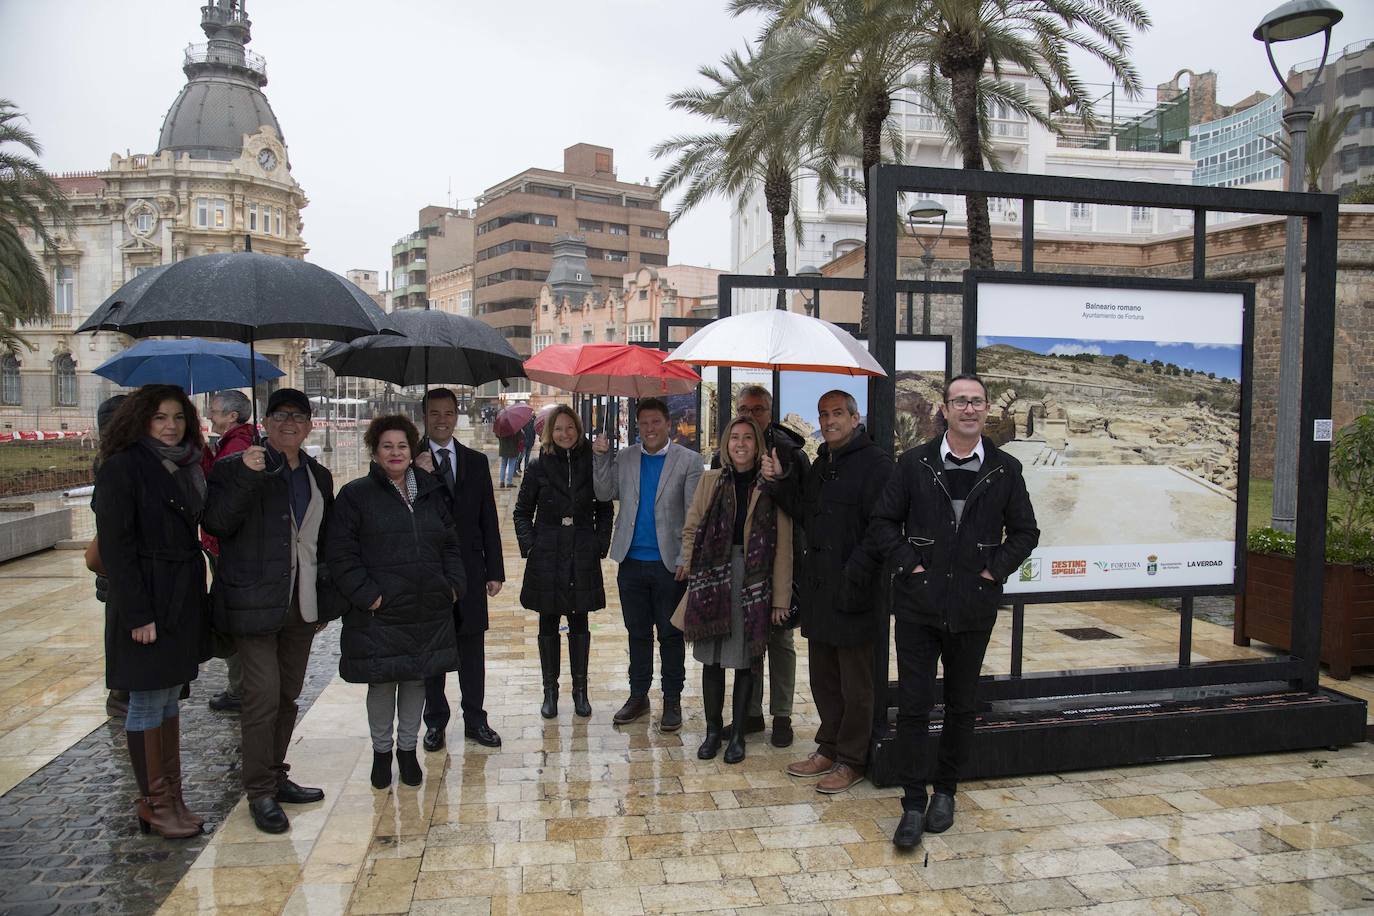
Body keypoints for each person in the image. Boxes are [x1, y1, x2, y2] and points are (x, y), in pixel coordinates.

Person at [868, 374, 1039, 849]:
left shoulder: (1005, 470)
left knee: (962, 706)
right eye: (960, 401)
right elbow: (883, 522)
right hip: (919, 607)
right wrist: (912, 566)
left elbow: (1026, 532)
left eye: (976, 402)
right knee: (916, 706)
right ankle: (912, 802)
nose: (968, 409)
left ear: (986, 411)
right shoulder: (913, 464)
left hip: (972, 610)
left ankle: (946, 791)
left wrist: (992, 571)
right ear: (944, 409)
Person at [203, 388, 343, 834]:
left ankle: (276, 774)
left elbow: (322, 542)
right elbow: (217, 524)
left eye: (298, 416)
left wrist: (325, 599)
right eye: (280, 415)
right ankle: (259, 790)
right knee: (261, 696)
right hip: (252, 604)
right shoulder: (236, 466)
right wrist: (247, 475)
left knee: (287, 695)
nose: (289, 423)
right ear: (265, 420)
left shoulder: (319, 475)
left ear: (309, 423)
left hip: (300, 605)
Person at [93, 384, 208, 839]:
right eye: (160, 417)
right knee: (144, 699)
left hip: (180, 596)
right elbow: (117, 550)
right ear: (142, 420)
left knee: (167, 698)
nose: (170, 426)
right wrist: (138, 614)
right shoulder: (122, 468)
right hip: (145, 601)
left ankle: (173, 796)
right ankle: (154, 801)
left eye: (178, 418)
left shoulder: (186, 466)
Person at [328, 415, 464, 791]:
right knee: (383, 682)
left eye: (402, 446)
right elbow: (341, 553)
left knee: (417, 679)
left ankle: (407, 750)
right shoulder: (356, 495)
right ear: (375, 450)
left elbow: (450, 543)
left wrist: (452, 586)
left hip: (426, 605)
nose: (395, 452)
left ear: (412, 450)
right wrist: (367, 594)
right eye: (387, 446)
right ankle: (381, 752)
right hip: (381, 610)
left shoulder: (430, 493)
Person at [772, 390, 893, 795]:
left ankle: (853, 759)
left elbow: (881, 530)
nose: (829, 421)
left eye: (838, 413)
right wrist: (778, 482)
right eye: (823, 414)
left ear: (855, 418)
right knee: (823, 677)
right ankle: (829, 746)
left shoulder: (876, 464)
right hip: (821, 592)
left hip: (856, 593)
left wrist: (853, 577)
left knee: (856, 684)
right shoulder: (824, 462)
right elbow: (806, 511)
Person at [680, 416, 792, 764]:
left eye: (748, 438)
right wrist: (691, 567)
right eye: (734, 438)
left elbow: (784, 545)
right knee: (711, 661)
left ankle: (739, 734)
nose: (740, 444)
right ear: (725, 444)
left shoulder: (772, 485)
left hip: (752, 580)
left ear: (757, 445)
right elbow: (692, 527)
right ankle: (714, 731)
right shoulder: (711, 480)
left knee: (746, 661)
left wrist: (780, 598)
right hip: (713, 577)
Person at [592, 397, 703, 731]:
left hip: (670, 565)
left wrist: (688, 557)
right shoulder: (625, 457)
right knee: (637, 634)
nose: (650, 429)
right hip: (631, 562)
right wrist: (601, 458)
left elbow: (694, 516)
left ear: (668, 424)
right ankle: (638, 695)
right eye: (644, 424)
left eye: (656, 422)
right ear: (637, 426)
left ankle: (672, 700)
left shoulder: (689, 461)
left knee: (670, 635)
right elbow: (603, 492)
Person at [709, 385, 807, 748]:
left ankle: (782, 714)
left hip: (781, 561)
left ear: (770, 411)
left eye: (759, 408)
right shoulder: (729, 449)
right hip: (739, 566)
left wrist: (778, 481)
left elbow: (803, 509)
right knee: (748, 639)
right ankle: (749, 713)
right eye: (744, 408)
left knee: (780, 639)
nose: (751, 414)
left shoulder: (792, 453)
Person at [412, 388, 505, 750]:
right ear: (425, 416)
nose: (441, 420)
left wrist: (494, 569)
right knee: (434, 650)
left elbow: (487, 518)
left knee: (472, 651)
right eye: (434, 413)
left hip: (469, 569)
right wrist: (418, 477)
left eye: (448, 413)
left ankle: (475, 719)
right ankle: (435, 721)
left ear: (457, 416)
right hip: (430, 572)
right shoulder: (410, 461)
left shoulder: (475, 461)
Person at [513, 405, 613, 719]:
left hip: (581, 548)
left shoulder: (589, 461)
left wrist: (599, 543)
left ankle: (580, 691)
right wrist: (531, 545)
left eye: (570, 428)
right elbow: (521, 512)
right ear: (549, 432)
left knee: (579, 619)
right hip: (548, 551)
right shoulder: (538, 465)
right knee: (548, 621)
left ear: (578, 429)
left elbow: (605, 506)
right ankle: (550, 691)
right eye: (558, 428)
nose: (565, 434)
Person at [201, 388, 256, 714]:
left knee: (231, 615)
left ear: (232, 416)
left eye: (216, 411)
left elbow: (218, 490)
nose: (211, 416)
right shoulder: (232, 442)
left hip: (225, 545)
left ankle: (240, 687)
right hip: (219, 543)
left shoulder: (237, 445)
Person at [90, 393, 130, 719]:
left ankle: (121, 692)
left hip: (117, 564)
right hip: (121, 563)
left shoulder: (110, 459)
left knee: (118, 624)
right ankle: (120, 695)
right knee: (121, 625)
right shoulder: (114, 466)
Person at [497, 422, 521, 489]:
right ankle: (509, 483)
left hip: (503, 448)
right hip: (513, 448)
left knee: (503, 465)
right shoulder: (516, 426)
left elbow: (497, 435)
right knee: (511, 465)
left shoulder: (501, 426)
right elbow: (520, 438)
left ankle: (502, 482)